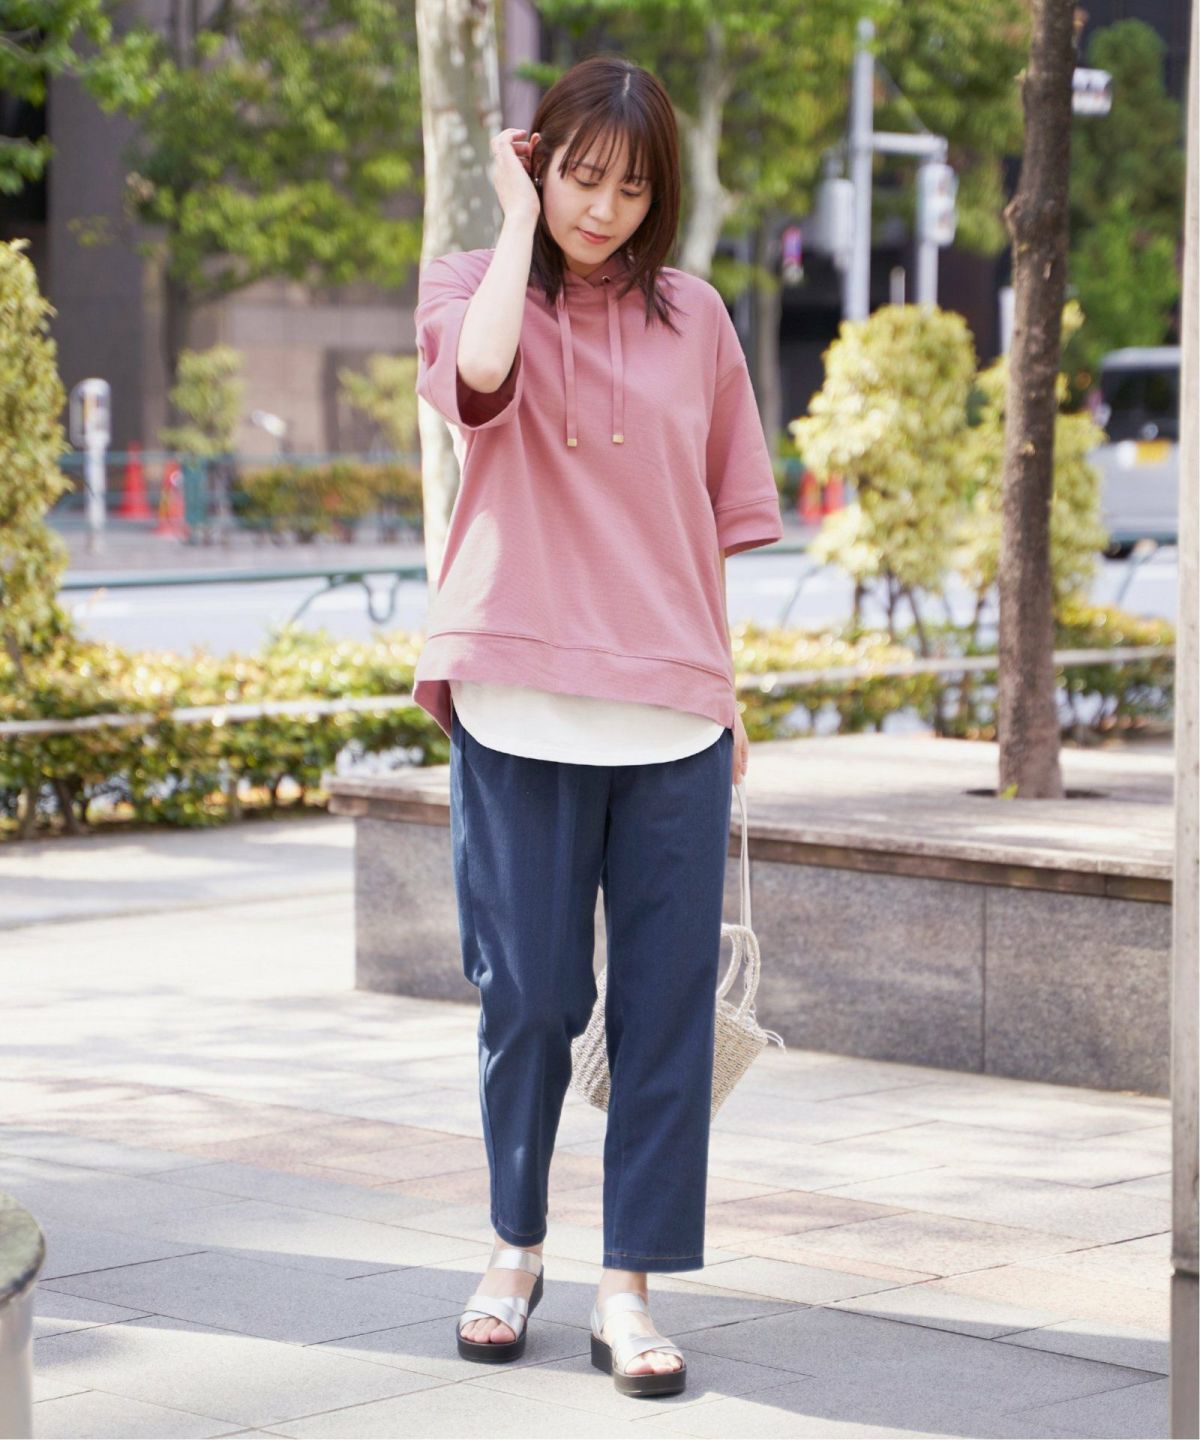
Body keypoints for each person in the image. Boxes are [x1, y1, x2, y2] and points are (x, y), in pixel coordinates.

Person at [410, 54, 783, 1399]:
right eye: (579, 177)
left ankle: (629, 1287)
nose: (602, 209)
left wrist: (727, 694)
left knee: (663, 1015)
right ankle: (513, 1249)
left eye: (630, 187)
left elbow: (711, 528)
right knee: (530, 999)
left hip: (671, 716)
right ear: (538, 165)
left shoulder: (699, 318)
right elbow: (481, 377)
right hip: (516, 698)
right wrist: (515, 220)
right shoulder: (470, 282)